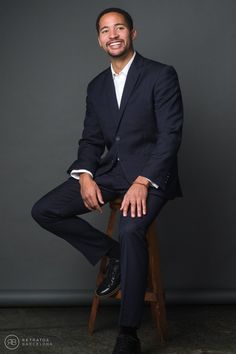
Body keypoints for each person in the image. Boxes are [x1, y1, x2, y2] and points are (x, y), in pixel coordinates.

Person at [31, 7, 183, 354]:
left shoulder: (160, 75)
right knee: (44, 210)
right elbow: (90, 140)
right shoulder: (96, 86)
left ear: (133, 33)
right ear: (99, 40)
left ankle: (127, 332)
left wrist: (144, 180)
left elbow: (170, 135)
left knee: (131, 230)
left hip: (151, 175)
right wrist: (85, 174)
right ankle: (114, 256)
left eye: (119, 28)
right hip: (111, 172)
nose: (112, 35)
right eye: (104, 30)